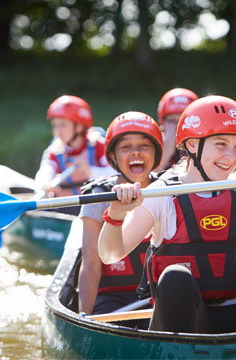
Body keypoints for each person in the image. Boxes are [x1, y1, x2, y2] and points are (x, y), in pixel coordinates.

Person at [98, 95, 236, 334]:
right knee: (175, 278)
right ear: (192, 145)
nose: (230, 157)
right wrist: (116, 215)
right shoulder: (162, 193)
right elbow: (110, 254)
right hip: (187, 321)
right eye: (221, 144)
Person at [78, 111, 163, 321]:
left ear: (156, 154)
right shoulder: (98, 195)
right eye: (126, 147)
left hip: (159, 295)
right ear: (114, 157)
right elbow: (90, 264)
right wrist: (83, 317)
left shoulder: (168, 190)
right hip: (112, 300)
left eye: (145, 146)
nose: (136, 152)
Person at [34, 95, 115, 201]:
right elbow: (45, 172)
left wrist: (90, 171)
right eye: (55, 125)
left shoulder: (99, 145)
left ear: (79, 126)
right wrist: (45, 185)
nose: (57, 130)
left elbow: (115, 174)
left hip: (95, 206)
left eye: (63, 125)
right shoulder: (54, 151)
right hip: (65, 208)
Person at [155, 88, 198, 171]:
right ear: (162, 122)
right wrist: (166, 153)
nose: (178, 127)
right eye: (172, 121)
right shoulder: (152, 146)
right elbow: (147, 181)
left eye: (183, 121)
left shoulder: (207, 144)